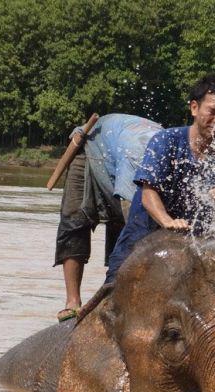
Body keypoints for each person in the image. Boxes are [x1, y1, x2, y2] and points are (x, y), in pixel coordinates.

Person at [105, 72, 215, 284]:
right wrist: (167, 221)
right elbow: (148, 195)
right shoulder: (166, 141)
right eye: (213, 111)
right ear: (194, 108)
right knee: (111, 297)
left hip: (189, 252)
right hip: (141, 242)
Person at [55, 114, 162, 320]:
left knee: (122, 225)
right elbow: (135, 218)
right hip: (92, 148)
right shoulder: (135, 158)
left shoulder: (168, 155)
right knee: (75, 220)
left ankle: (116, 293)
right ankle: (72, 301)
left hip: (116, 149)